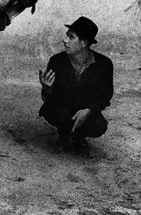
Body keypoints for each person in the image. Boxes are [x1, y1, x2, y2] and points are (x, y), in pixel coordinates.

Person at [39, 16, 113, 156]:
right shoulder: (56, 61)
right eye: (66, 36)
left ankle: (79, 137)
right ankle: (64, 135)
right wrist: (47, 89)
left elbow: (106, 95)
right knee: (55, 113)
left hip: (85, 109)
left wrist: (89, 110)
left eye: (71, 37)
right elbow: (52, 99)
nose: (65, 40)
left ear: (84, 43)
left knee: (99, 126)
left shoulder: (103, 65)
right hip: (63, 108)